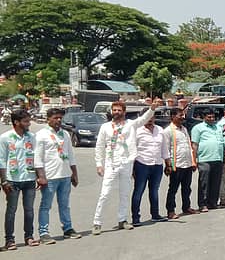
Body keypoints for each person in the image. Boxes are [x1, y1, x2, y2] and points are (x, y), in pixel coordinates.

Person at [92, 101, 157, 235]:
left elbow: (143, 119)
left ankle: (122, 220)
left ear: (124, 112)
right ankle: (97, 222)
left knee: (125, 193)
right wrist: (99, 164)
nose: (116, 112)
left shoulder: (130, 125)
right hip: (111, 164)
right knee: (105, 194)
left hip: (126, 163)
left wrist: (152, 108)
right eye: (114, 110)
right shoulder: (105, 127)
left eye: (119, 110)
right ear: (111, 111)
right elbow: (99, 146)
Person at [34, 108, 81, 244]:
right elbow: (37, 157)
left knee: (64, 205)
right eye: (55, 118)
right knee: (46, 205)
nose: (58, 120)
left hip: (65, 175)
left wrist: (74, 173)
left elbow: (71, 155)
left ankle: (68, 229)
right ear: (48, 118)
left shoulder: (65, 134)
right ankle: (44, 233)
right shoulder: (41, 135)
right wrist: (41, 176)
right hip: (49, 177)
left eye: (60, 118)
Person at [0, 110, 38, 249]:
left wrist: (39, 176)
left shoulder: (31, 137)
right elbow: (2, 160)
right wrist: (4, 181)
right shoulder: (5, 138)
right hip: (12, 180)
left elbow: (37, 158)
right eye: (26, 121)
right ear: (16, 122)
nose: (29, 124)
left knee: (29, 210)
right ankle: (9, 240)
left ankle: (29, 236)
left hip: (29, 178)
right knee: (11, 210)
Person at [132, 112, 168, 225]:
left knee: (154, 191)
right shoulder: (137, 131)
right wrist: (132, 168)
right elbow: (132, 149)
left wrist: (168, 163)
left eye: (152, 117)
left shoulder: (160, 130)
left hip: (157, 165)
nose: (150, 119)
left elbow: (164, 148)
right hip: (142, 164)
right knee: (138, 191)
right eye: (147, 117)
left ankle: (155, 215)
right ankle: (135, 218)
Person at [163, 107, 197, 219]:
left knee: (187, 188)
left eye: (183, 115)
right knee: (173, 189)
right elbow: (165, 150)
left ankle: (186, 207)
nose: (183, 117)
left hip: (187, 163)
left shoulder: (184, 129)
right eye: (180, 115)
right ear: (173, 116)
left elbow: (189, 146)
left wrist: (193, 161)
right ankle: (171, 211)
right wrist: (168, 165)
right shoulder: (168, 131)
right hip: (176, 165)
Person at [191, 109, 225, 212]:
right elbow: (194, 145)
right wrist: (194, 159)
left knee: (216, 182)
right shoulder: (198, 128)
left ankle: (213, 202)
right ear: (203, 117)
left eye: (213, 117)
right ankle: (203, 204)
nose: (211, 119)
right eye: (209, 117)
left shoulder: (218, 127)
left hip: (218, 158)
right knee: (204, 183)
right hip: (204, 159)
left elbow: (221, 142)